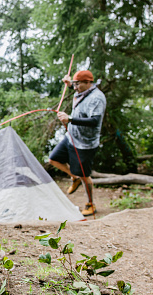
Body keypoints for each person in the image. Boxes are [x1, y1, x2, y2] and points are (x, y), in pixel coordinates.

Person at [49, 70, 106, 216]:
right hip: (71, 137)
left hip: (85, 144)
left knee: (85, 176)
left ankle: (90, 204)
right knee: (53, 159)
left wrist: (70, 119)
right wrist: (69, 83)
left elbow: (95, 121)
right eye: (74, 85)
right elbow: (73, 87)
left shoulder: (97, 98)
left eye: (77, 84)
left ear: (88, 83)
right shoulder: (81, 90)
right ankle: (74, 177)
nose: (74, 88)